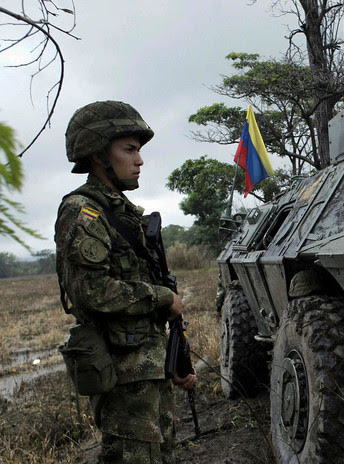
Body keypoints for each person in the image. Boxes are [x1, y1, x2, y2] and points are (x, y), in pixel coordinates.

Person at [55, 100, 196, 463]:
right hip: (122, 375)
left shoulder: (123, 212)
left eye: (138, 150)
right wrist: (161, 297)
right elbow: (89, 292)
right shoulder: (82, 212)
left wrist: (175, 360)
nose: (139, 160)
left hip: (147, 368)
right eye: (129, 150)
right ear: (100, 155)